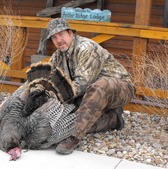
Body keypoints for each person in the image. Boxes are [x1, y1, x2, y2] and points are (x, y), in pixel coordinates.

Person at [46, 18, 135, 155]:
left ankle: (73, 135)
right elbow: (46, 79)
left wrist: (57, 95)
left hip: (119, 88)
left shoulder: (85, 48)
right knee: (76, 115)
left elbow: (82, 84)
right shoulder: (58, 56)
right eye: (54, 37)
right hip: (91, 93)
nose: (58, 40)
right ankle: (113, 119)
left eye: (61, 35)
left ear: (71, 33)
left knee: (100, 86)